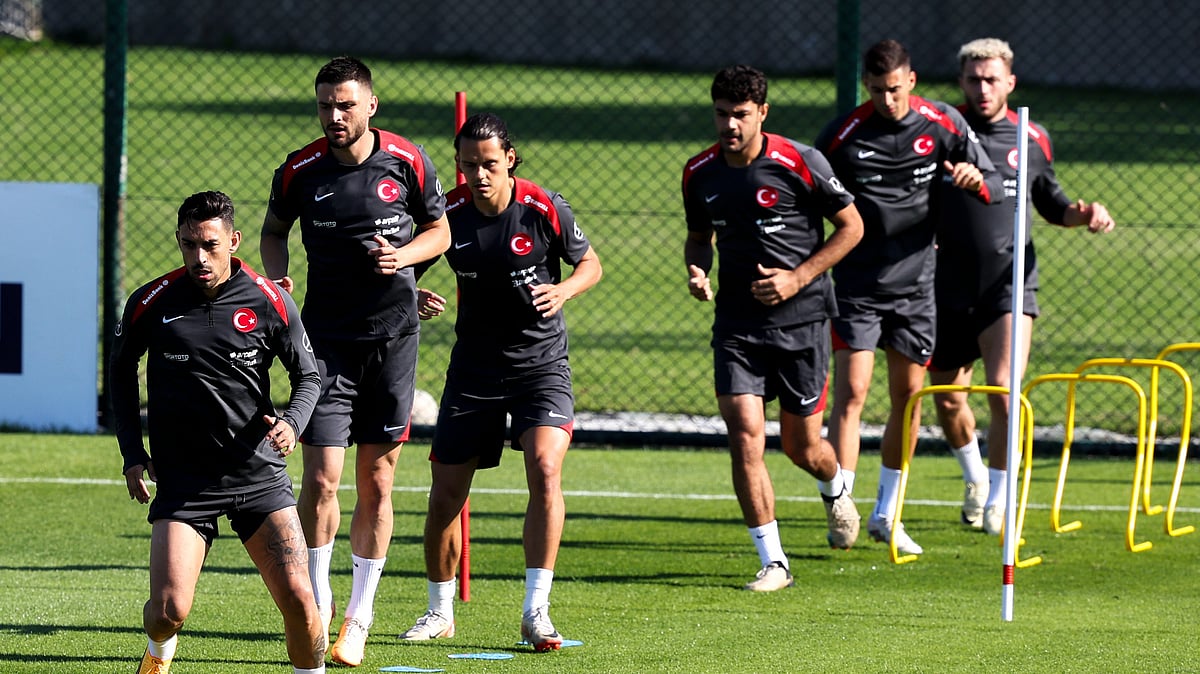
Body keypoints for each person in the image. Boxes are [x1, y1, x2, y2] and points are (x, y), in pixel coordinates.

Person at [259, 56, 450, 667]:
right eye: (324, 105)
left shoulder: (408, 159)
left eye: (345, 104)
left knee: (378, 481)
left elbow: (440, 233)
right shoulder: (300, 168)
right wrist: (276, 277)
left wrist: (404, 257)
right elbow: (272, 229)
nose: (334, 116)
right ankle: (317, 604)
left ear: (371, 105)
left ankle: (359, 618)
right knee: (319, 481)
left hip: (393, 343)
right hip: (326, 347)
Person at [396, 112, 602, 650]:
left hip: (541, 367)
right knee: (444, 497)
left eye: (489, 164)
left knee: (544, 467)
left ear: (509, 159)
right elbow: (404, 270)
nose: (478, 175)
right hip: (474, 371)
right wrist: (411, 296)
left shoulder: (542, 207)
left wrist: (563, 292)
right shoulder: (450, 217)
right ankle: (439, 611)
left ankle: (537, 612)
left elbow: (591, 266)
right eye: (468, 166)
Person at [110, 191, 325, 674]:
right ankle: (158, 654)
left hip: (258, 477)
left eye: (210, 244)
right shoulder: (150, 301)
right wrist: (132, 453)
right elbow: (120, 373)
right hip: (185, 482)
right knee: (168, 614)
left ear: (234, 240)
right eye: (188, 245)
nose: (199, 257)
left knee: (300, 602)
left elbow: (310, 377)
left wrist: (292, 423)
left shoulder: (271, 299)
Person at [815, 39, 1004, 555]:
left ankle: (887, 512)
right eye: (876, 91)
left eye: (895, 90)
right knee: (852, 393)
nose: (887, 100)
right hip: (857, 285)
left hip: (917, 286)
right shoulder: (844, 134)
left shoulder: (941, 123)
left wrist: (974, 181)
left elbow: (993, 182)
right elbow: (808, 197)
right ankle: (843, 507)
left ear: (911, 82)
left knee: (909, 398)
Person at [682, 64, 865, 592]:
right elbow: (698, 237)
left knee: (803, 448)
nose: (729, 125)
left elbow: (852, 226)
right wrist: (698, 269)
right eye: (721, 114)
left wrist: (798, 277)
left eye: (740, 115)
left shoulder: (800, 162)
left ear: (762, 112)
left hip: (803, 323)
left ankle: (834, 486)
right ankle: (774, 562)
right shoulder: (700, 172)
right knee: (745, 437)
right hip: (738, 326)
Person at [930, 37, 1115, 535]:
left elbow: (1052, 203)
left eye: (992, 79)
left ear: (1010, 82)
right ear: (961, 83)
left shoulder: (1030, 136)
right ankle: (974, 481)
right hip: (944, 286)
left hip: (1008, 283)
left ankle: (999, 499)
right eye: (973, 79)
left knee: (1006, 391)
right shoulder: (942, 133)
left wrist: (1084, 213)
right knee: (948, 399)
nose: (983, 88)